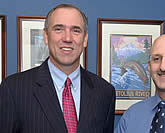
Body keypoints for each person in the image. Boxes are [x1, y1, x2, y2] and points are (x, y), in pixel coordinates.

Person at [0, 4, 115, 133]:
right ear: (46, 36)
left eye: (76, 30)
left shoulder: (105, 92)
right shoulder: (13, 89)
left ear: (85, 39)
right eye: (58, 29)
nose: (67, 38)